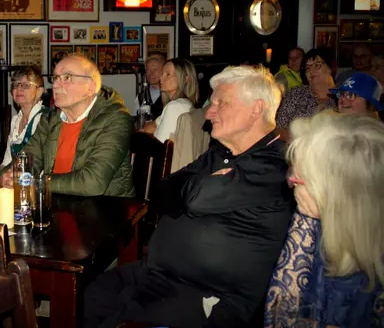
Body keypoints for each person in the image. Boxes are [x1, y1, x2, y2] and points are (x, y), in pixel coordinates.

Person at [84, 65, 293, 327]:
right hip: (159, 276)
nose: (209, 111)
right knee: (92, 295)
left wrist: (193, 192)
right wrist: (201, 186)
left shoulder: (274, 165)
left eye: (221, 103)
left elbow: (196, 199)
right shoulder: (220, 153)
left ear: (256, 108)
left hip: (208, 295)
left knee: (124, 320)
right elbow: (163, 190)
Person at [265, 112, 384, 327]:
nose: (290, 182)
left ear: (338, 194)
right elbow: (279, 313)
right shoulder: (313, 219)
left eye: (299, 179)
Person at [1, 55, 133, 197]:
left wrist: (34, 182)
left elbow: (92, 183)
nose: (55, 85)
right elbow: (25, 160)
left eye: (67, 78)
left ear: (90, 87)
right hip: (59, 204)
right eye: (55, 78)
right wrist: (5, 177)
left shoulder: (116, 118)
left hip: (107, 207)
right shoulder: (51, 119)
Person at [276, 48, 337, 142]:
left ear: (330, 68)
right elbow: (278, 129)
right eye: (307, 68)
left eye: (317, 65)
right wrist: (303, 142)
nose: (311, 70)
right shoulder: (296, 93)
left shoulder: (344, 98)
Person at [140, 58, 199, 142]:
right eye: (162, 74)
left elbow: (158, 144)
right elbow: (151, 126)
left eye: (168, 74)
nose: (161, 78)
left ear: (185, 79)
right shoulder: (184, 103)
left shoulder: (174, 107)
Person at [1, 67, 46, 167]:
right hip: (16, 174)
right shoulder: (15, 120)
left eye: (26, 85)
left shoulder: (43, 119)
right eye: (15, 85)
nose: (19, 89)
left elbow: (39, 164)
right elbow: (6, 162)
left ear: (39, 91)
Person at [134, 53, 165, 118]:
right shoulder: (140, 98)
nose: (151, 73)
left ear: (163, 71)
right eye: (148, 70)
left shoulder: (171, 95)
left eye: (155, 70)